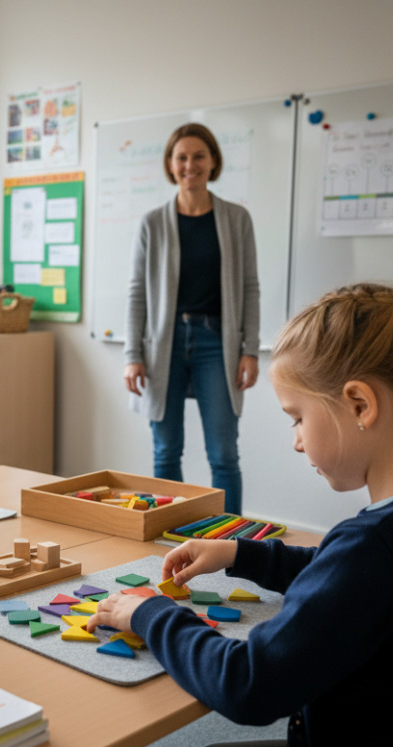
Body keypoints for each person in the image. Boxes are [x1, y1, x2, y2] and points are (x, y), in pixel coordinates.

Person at [89, 283, 393, 747]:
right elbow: (353, 581)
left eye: (297, 418)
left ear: (359, 403)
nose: (295, 440)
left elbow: (246, 686)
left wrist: (148, 615)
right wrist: (243, 553)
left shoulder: (374, 548)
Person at [124, 123, 260, 515]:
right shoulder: (152, 222)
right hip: (163, 344)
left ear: (213, 160)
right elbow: (137, 292)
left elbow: (250, 287)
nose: (190, 165)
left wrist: (250, 350)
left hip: (216, 342)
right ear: (170, 164)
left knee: (223, 453)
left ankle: (233, 542)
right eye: (181, 157)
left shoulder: (237, 219)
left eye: (199, 156)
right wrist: (132, 354)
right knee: (166, 451)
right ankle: (172, 540)